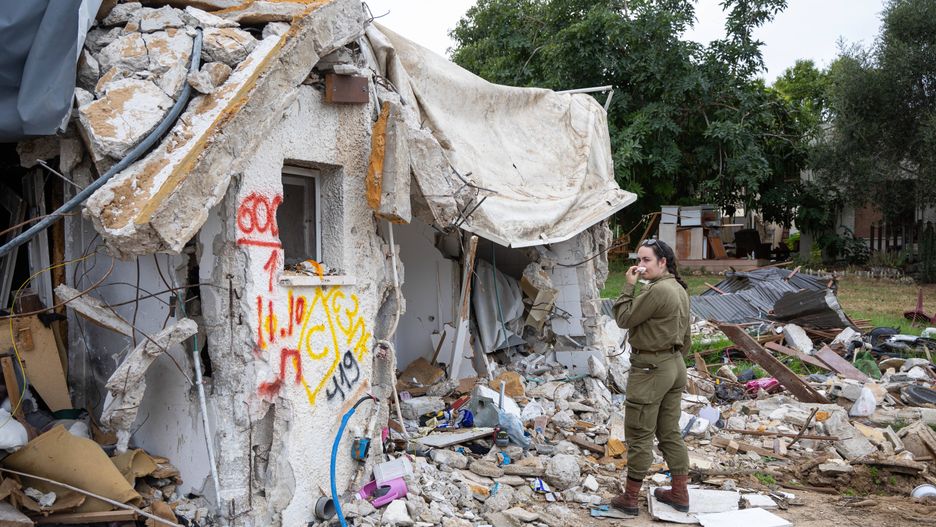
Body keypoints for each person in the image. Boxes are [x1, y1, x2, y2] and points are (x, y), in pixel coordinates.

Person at [610, 238, 691, 516]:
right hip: (674, 364)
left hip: (650, 368)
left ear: (662, 262)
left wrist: (629, 285)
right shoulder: (677, 288)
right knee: (669, 432)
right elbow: (687, 335)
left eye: (646, 260)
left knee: (639, 433)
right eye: (638, 260)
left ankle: (630, 498)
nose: (640, 266)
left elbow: (623, 318)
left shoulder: (658, 291)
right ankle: (679, 492)